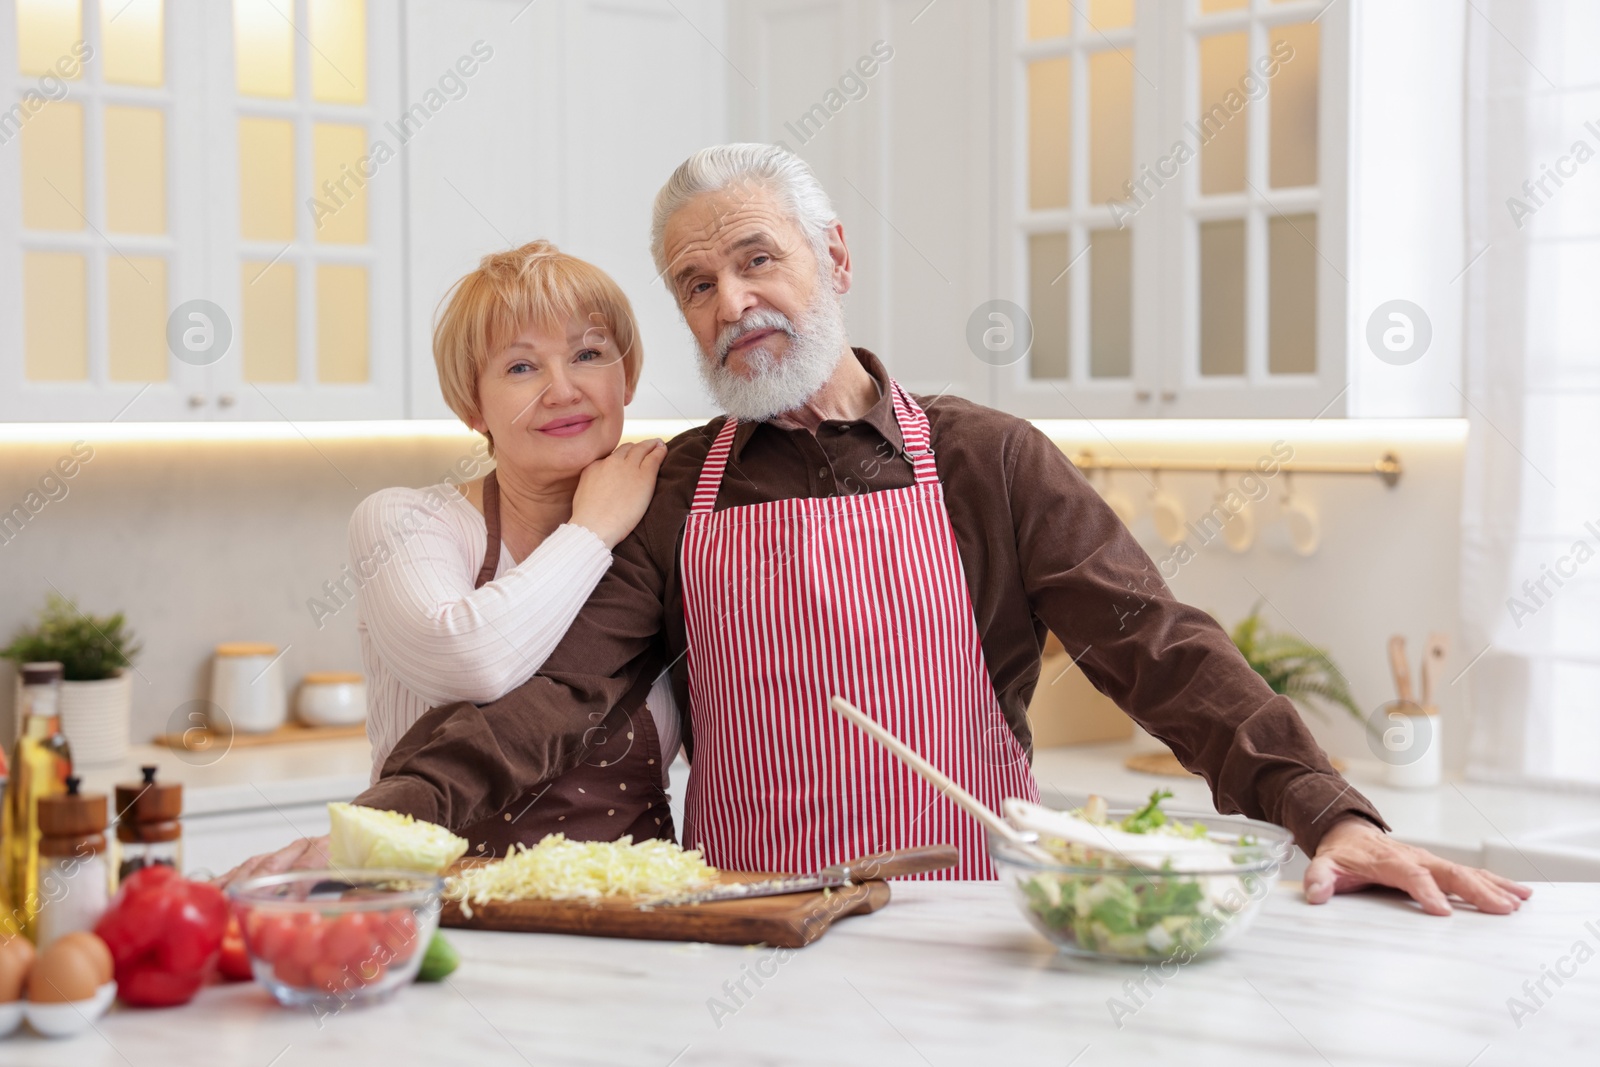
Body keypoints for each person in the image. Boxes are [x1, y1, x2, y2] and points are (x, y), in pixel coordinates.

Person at [246, 146, 1529, 913]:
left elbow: (1159, 647)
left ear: (832, 255)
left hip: (963, 915)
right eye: (696, 282)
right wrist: (382, 816)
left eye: (758, 259)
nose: (731, 300)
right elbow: (548, 698)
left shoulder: (987, 460)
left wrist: (1327, 812)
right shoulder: (673, 485)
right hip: (751, 921)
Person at [346, 240, 680, 859]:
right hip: (445, 919)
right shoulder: (404, 521)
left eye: (588, 354)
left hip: (641, 915)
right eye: (521, 367)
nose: (563, 390)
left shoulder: (662, 540)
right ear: (473, 404)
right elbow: (468, 663)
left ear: (626, 378)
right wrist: (594, 529)